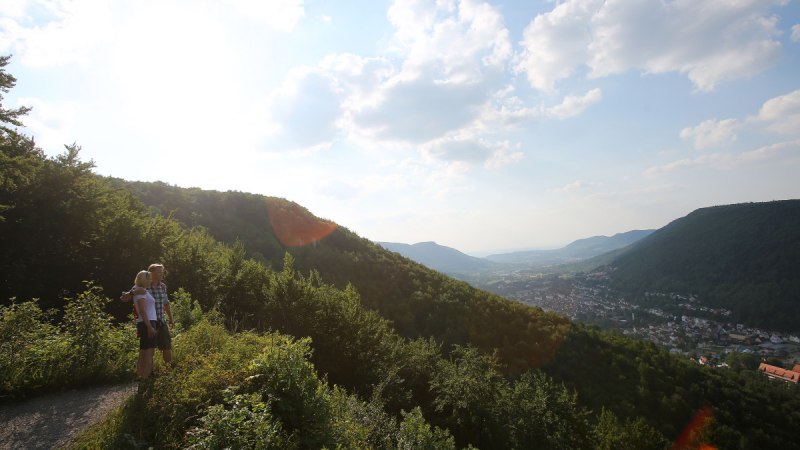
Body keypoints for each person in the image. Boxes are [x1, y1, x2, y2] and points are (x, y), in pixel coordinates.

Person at [122, 263, 175, 365]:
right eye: (159, 272)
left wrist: (171, 319)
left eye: (163, 272)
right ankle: (148, 373)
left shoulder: (162, 287)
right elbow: (124, 298)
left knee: (166, 346)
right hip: (149, 322)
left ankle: (169, 372)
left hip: (161, 321)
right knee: (149, 349)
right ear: (151, 273)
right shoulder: (142, 285)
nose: (162, 274)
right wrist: (133, 293)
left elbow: (166, 304)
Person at [132, 270, 158, 379]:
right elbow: (142, 310)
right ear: (143, 279)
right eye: (149, 278)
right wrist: (149, 326)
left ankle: (141, 376)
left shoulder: (141, 291)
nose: (150, 280)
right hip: (147, 322)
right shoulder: (141, 291)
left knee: (143, 351)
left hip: (144, 322)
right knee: (148, 352)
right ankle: (145, 379)